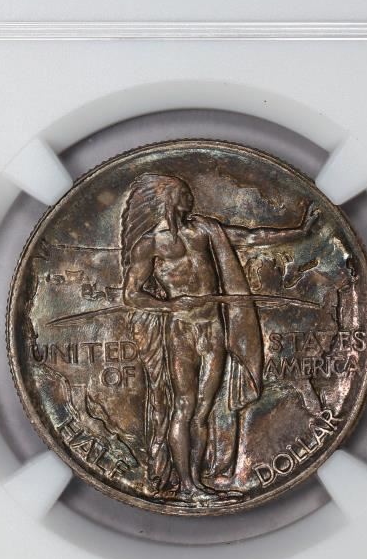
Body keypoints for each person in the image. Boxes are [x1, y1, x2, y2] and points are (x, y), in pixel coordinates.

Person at [121, 172, 320, 503]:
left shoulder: (205, 230)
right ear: (170, 198)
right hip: (180, 330)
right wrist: (170, 305)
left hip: (212, 326)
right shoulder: (151, 244)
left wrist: (299, 232)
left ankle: (196, 484)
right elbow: (131, 295)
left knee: (203, 409)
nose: (191, 199)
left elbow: (251, 238)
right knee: (184, 406)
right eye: (185, 193)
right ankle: (185, 485)